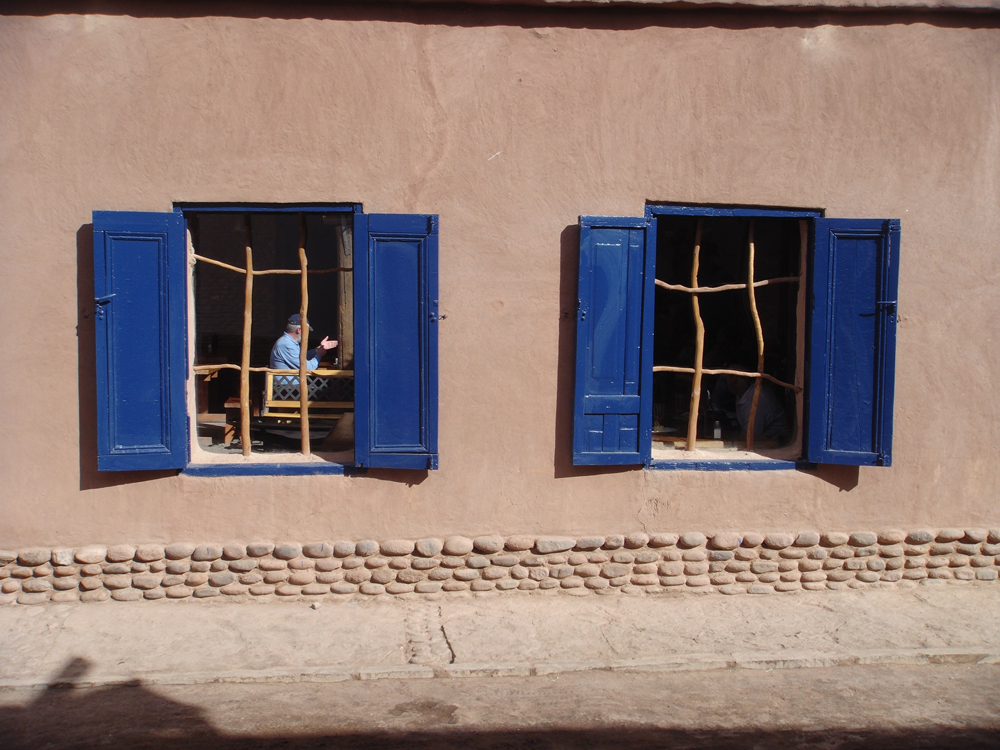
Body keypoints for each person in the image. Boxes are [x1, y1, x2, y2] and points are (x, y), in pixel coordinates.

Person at [726, 367, 790, 442]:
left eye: (736, 376)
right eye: (729, 376)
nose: (731, 381)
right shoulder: (740, 393)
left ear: (746, 378)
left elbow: (749, 435)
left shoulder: (757, 398)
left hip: (777, 441)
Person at [269, 313, 337, 373]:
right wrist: (319, 355)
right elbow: (307, 368)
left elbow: (301, 357)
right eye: (307, 330)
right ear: (299, 330)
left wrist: (319, 348)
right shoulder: (286, 344)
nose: (307, 334)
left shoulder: (289, 342)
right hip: (288, 384)